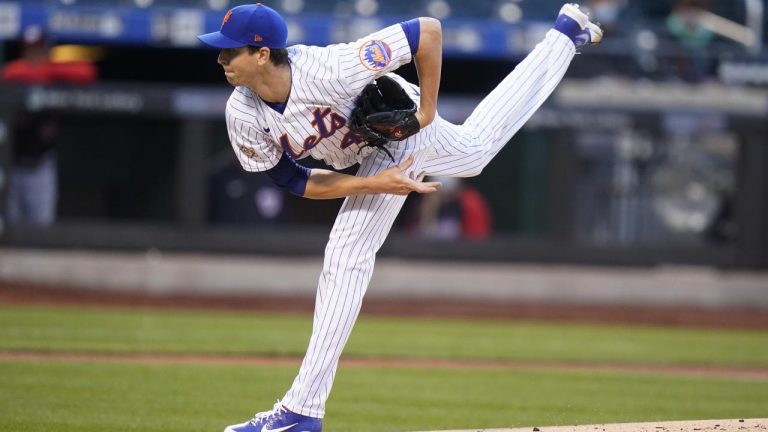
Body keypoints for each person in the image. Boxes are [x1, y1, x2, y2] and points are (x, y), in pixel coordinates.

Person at [197, 3, 602, 431]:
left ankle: (301, 411)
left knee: (347, 251)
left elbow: (427, 31)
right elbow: (293, 180)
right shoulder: (242, 113)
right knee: (476, 152)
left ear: (262, 53)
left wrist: (426, 113)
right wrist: (374, 184)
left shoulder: (331, 68)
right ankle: (564, 34)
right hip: (368, 155)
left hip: (402, 128)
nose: (221, 58)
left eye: (230, 51)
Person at [1, 25, 97, 226]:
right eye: (29, 49)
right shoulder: (15, 75)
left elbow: (87, 72)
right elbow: (7, 73)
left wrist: (43, 71)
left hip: (40, 167)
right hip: (12, 165)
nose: (33, 54)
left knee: (41, 227)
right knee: (9, 230)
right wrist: (34, 72)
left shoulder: (55, 76)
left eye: (38, 49)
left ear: (46, 50)